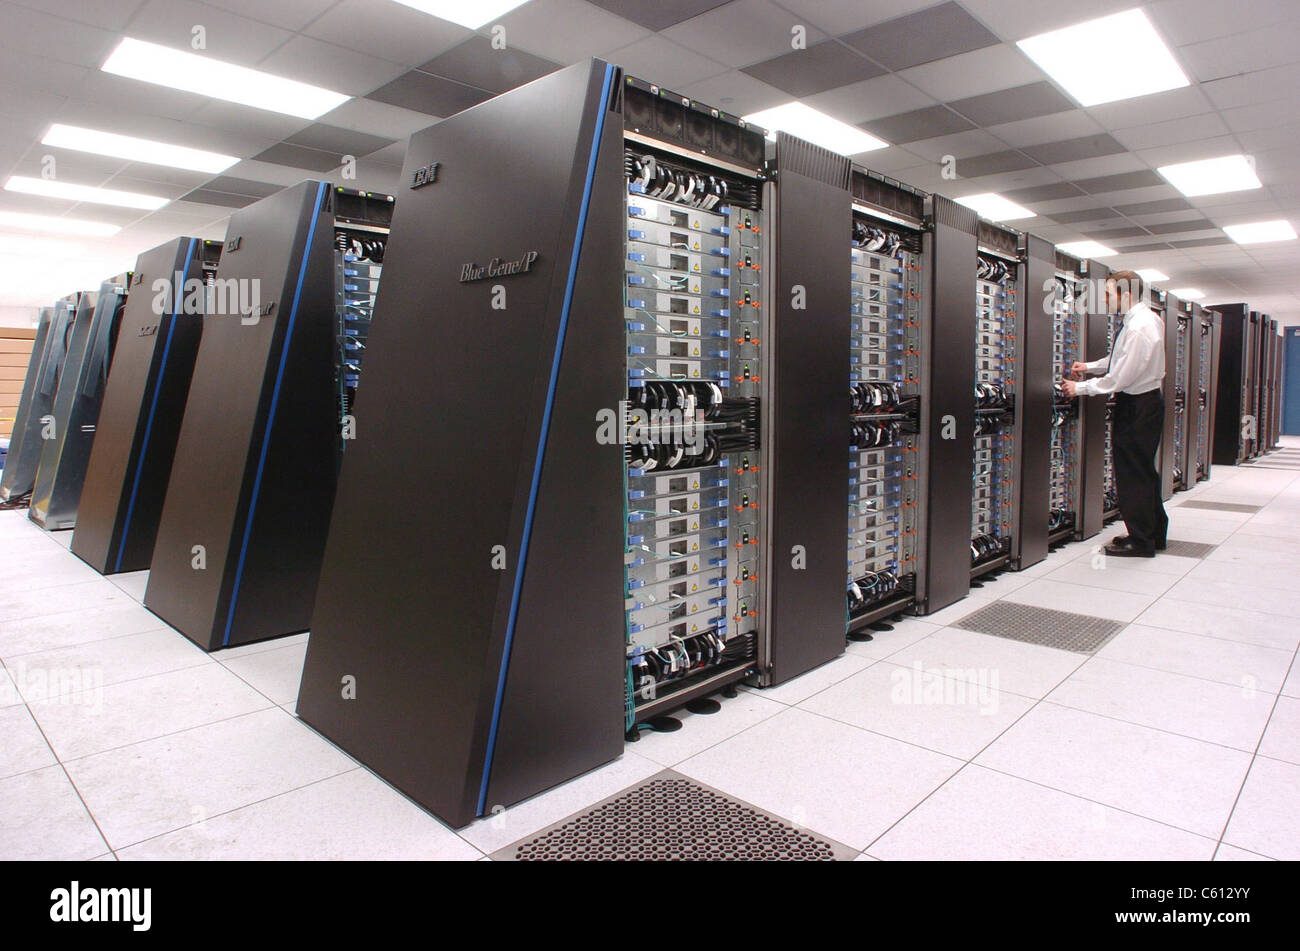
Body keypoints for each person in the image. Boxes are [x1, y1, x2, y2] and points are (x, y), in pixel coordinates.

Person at [1060, 270, 1168, 557]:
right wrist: (1089, 366)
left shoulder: (1138, 327)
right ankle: (1153, 533)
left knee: (1132, 473)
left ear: (1127, 294)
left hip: (1137, 406)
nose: (1105, 300)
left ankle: (1141, 542)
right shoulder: (1146, 320)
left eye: (1109, 294)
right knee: (1144, 471)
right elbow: (1120, 357)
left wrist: (1079, 387)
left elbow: (1119, 378)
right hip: (1146, 402)